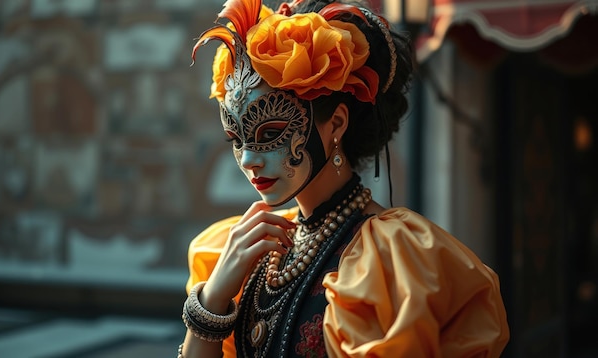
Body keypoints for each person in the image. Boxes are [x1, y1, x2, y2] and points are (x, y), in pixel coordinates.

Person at [179, 0, 510, 356]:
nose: (247, 159)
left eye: (269, 132)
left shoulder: (393, 260)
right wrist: (213, 297)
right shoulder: (246, 248)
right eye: (236, 138)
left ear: (336, 124)